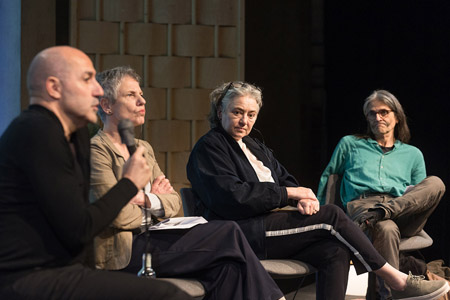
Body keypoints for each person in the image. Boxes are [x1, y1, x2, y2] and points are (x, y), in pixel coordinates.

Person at [186, 81, 449, 300]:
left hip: (273, 226)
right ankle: (395, 279)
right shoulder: (210, 147)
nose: (245, 121)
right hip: (242, 232)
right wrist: (291, 195)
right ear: (220, 111)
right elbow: (232, 197)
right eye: (237, 112)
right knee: (332, 215)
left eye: (251, 115)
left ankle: (392, 269)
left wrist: (303, 197)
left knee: (334, 251)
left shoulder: (255, 146)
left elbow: (286, 179)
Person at [0, 46, 191, 299]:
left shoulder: (74, 133)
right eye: (87, 78)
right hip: (30, 275)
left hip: (69, 270)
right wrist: (129, 183)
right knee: (169, 295)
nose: (98, 90)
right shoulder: (36, 132)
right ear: (54, 87)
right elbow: (80, 229)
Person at [90, 66, 286, 300]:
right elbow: (117, 215)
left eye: (141, 94)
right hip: (125, 251)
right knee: (227, 231)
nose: (142, 100)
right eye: (131, 95)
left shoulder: (143, 148)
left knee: (227, 269)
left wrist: (145, 199)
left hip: (154, 236)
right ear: (107, 105)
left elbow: (173, 203)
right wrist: (154, 202)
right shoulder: (96, 151)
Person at [317, 89, 445, 299]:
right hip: (364, 207)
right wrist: (321, 217)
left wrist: (391, 208)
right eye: (372, 113)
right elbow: (328, 179)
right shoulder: (350, 144)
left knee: (436, 183)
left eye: (384, 112)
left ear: (397, 116)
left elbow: (420, 195)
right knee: (385, 229)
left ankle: (382, 212)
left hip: (402, 209)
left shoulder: (412, 154)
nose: (378, 117)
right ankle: (386, 296)